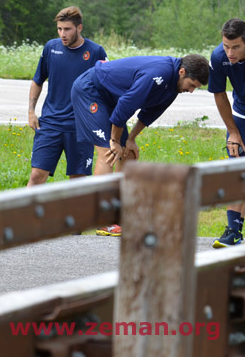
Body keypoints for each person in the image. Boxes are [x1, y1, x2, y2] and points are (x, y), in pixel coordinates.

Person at [70, 53, 210, 236]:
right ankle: (102, 218)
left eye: (195, 88)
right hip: (91, 90)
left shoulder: (174, 85)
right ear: (182, 72)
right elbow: (127, 104)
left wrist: (131, 139)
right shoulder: (158, 73)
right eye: (191, 85)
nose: (191, 90)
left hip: (112, 99)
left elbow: (150, 113)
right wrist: (114, 140)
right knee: (108, 154)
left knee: (128, 154)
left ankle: (116, 212)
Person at [27, 7, 107, 187]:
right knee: (36, 175)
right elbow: (37, 80)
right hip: (50, 123)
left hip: (81, 127)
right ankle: (24, 215)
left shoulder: (96, 52)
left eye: (67, 29)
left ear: (79, 28)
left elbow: (107, 88)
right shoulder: (50, 48)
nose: (62, 34)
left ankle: (78, 215)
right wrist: (31, 111)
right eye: (59, 29)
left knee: (77, 181)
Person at [209, 18, 245, 248]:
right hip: (241, 117)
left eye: (236, 47)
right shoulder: (218, 57)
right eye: (226, 46)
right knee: (237, 170)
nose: (229, 53)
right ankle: (233, 231)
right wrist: (233, 131)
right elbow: (219, 94)